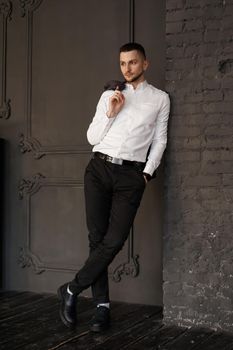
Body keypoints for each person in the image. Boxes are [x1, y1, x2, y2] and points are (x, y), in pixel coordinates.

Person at [57, 42, 170, 332]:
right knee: (97, 240)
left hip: (131, 176)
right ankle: (102, 308)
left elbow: (159, 140)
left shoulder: (159, 99)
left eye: (133, 62)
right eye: (122, 63)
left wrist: (146, 173)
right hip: (99, 168)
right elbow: (92, 137)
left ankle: (70, 290)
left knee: (114, 240)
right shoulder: (110, 94)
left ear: (145, 64)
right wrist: (111, 111)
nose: (127, 68)